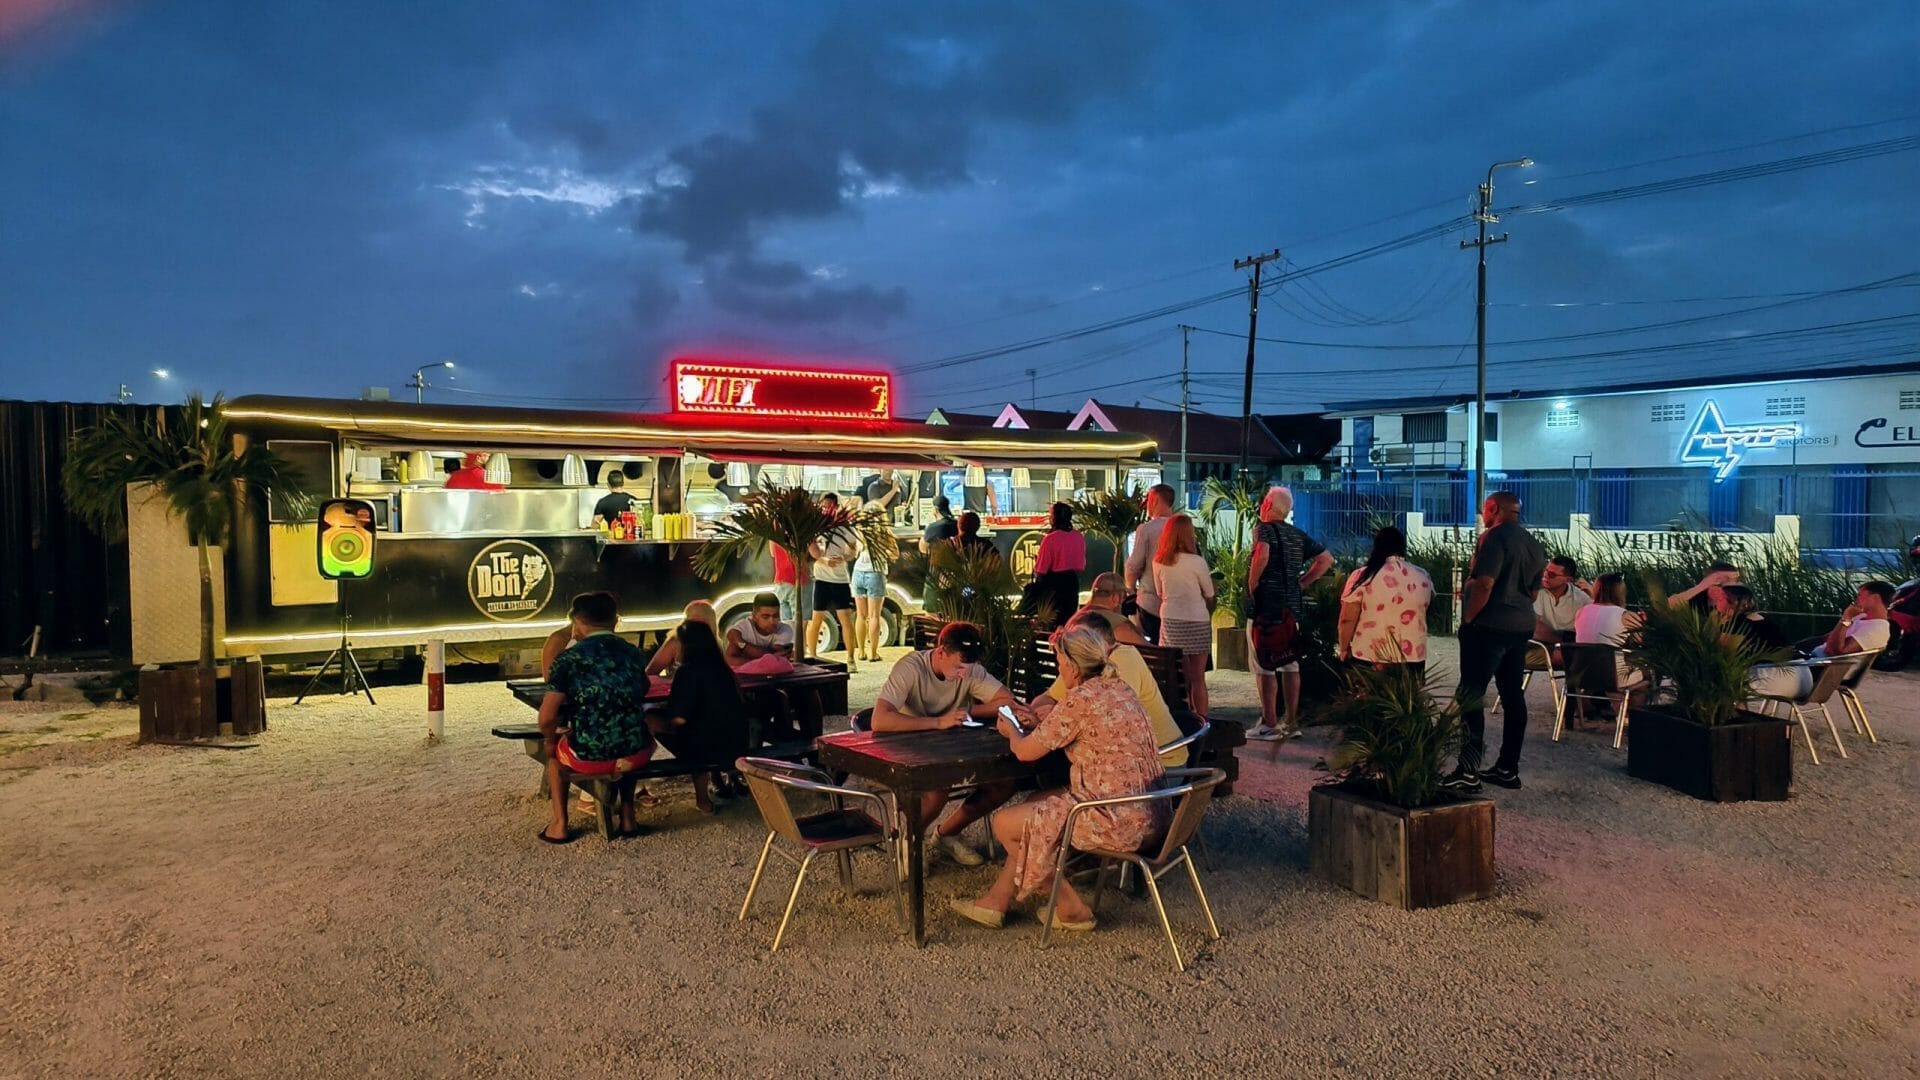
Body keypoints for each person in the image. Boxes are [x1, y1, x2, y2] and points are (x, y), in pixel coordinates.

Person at [950, 622, 1166, 933]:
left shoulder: (1080, 699)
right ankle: (995, 903)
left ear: (1075, 668)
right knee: (1035, 804)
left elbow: (1025, 752)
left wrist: (1011, 731)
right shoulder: (1118, 688)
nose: (1059, 670)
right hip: (1153, 810)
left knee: (1005, 824)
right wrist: (1039, 719)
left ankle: (1071, 909)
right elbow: (1080, 723)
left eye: (1061, 664)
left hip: (1116, 819)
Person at [865, 622, 1027, 867]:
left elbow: (1007, 701)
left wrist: (970, 709)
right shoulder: (911, 667)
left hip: (951, 747)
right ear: (941, 652)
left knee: (1004, 782)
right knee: (937, 788)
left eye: (967, 669)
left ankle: (946, 834)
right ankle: (908, 841)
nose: (963, 674)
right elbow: (880, 719)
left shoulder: (970, 670)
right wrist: (938, 722)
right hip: (909, 747)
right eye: (958, 667)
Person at [1443, 491, 1548, 793]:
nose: (1483, 515)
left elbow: (1485, 582)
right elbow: (1533, 593)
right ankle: (1507, 768)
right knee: (1512, 695)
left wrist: (1470, 619)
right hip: (1521, 626)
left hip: (1490, 625)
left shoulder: (1494, 537)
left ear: (1495, 509)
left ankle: (1468, 768)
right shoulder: (1533, 543)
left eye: (1485, 510)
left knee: (1471, 694)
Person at [536, 592, 654, 844]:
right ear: (615, 621)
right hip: (636, 755)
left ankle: (560, 825)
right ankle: (628, 817)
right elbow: (643, 688)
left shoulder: (568, 659)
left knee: (555, 758)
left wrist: (549, 739)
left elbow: (547, 717)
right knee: (630, 736)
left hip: (588, 757)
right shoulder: (633, 654)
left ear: (576, 621)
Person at [1030, 611, 1190, 767]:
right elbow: (1047, 698)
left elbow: (1106, 721)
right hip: (1123, 763)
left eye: (1078, 639)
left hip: (1159, 763)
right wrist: (1038, 712)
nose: (1071, 643)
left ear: (1095, 640)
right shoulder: (1082, 662)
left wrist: (1053, 714)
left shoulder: (1122, 660)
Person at [1245, 485, 1334, 741]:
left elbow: (1262, 554)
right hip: (1291, 609)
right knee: (1289, 662)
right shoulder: (1297, 535)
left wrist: (1253, 584)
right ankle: (1291, 721)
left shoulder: (1263, 529)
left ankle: (1269, 723)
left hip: (1264, 608)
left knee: (1264, 665)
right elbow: (1326, 559)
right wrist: (1303, 582)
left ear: (1268, 506)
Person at [646, 620, 747, 814]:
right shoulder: (724, 669)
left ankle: (703, 801)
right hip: (735, 741)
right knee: (704, 730)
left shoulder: (687, 672)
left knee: (649, 718)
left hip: (705, 747)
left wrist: (665, 722)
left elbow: (680, 718)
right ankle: (720, 783)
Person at [1337, 525, 1433, 675]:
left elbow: (1347, 619)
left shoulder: (1362, 576)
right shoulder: (1422, 576)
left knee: (1368, 697)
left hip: (1369, 654)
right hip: (1413, 656)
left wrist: (1343, 648)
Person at [1151, 514, 1215, 719]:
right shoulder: (1198, 562)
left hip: (1171, 620)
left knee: (1180, 676)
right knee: (1198, 677)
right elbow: (1209, 593)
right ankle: (1202, 720)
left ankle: (1183, 718)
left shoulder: (1159, 562)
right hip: (1197, 619)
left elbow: (1160, 593)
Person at [805, 493, 861, 672]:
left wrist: (845, 556)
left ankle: (851, 658)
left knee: (845, 618)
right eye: (823, 505)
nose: (826, 508)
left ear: (836, 506)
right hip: (821, 578)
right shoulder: (815, 527)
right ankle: (812, 656)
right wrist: (824, 560)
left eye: (829, 505)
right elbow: (812, 553)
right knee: (816, 619)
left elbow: (853, 551)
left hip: (840, 579)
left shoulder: (845, 527)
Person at [1572, 572, 1645, 705]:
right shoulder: (1625, 616)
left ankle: (1614, 712)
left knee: (1610, 664)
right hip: (1612, 677)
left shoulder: (1581, 612)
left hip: (1581, 675)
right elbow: (1641, 642)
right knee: (1647, 674)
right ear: (1620, 592)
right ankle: (1631, 717)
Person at [1124, 483, 1177, 642]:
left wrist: (1131, 590)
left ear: (1155, 500)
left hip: (1150, 603)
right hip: (1177, 604)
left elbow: (1134, 565)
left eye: (1148, 499)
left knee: (1151, 648)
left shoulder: (1146, 529)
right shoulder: (1184, 528)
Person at [1027, 501, 1087, 628]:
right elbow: (1080, 563)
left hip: (1052, 585)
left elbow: (1041, 569)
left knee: (1051, 624)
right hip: (1072, 582)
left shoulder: (1050, 539)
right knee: (1068, 621)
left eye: (1050, 514)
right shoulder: (1078, 536)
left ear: (1055, 517)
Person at [1070, 572, 1150, 646]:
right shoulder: (1118, 624)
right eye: (1123, 596)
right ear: (1115, 598)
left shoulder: (1075, 618)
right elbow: (1150, 651)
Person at [647, 600, 717, 676]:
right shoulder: (676, 642)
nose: (697, 628)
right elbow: (650, 673)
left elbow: (649, 674)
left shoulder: (715, 644)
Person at [852, 525, 890, 664]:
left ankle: (861, 651)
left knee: (860, 615)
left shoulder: (861, 531)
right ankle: (873, 654)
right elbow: (894, 553)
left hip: (858, 572)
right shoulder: (884, 531)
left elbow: (854, 551)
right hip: (875, 572)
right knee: (874, 615)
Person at [1532, 556, 1590, 645]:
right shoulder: (1537, 591)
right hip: (1543, 643)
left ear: (1568, 580)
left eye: (1552, 574)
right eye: (1545, 571)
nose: (1545, 576)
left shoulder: (1581, 598)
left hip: (1570, 644)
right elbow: (1535, 626)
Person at [725, 592, 795, 667]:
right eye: (765, 617)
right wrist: (765, 660)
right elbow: (729, 659)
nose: (772, 621)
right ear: (754, 617)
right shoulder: (745, 627)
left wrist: (744, 646)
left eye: (775, 616)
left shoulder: (785, 630)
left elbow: (775, 657)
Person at [1716, 584, 1789, 653]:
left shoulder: (1739, 624)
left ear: (1743, 603)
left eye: (1725, 599)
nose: (1719, 603)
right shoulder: (1762, 619)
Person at [1671, 561, 1741, 611]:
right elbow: (1667, 606)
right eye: (1727, 579)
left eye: (1735, 580)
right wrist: (1704, 585)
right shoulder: (1695, 599)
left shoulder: (1739, 601)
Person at [770, 544, 798, 623]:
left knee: (785, 619)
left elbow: (773, 553)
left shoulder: (773, 532)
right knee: (798, 619)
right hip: (794, 578)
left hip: (780, 579)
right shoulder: (794, 532)